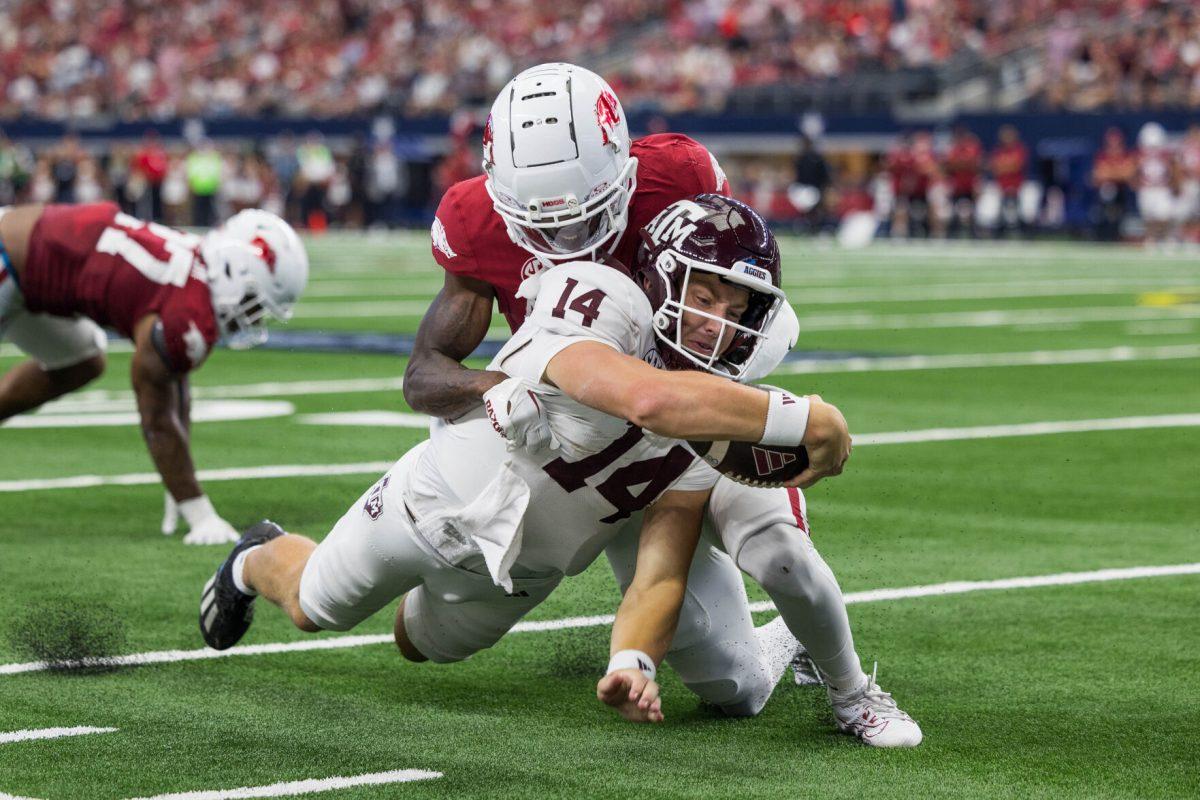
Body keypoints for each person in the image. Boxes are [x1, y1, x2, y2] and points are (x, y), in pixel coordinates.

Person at [403, 63, 920, 745]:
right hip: (600, 450)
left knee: (781, 556)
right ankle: (767, 647)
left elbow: (747, 288)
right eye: (541, 218)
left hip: (698, 419)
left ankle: (852, 690)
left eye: (587, 206)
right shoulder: (476, 221)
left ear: (619, 166)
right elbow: (423, 378)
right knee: (735, 687)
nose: (569, 234)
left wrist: (746, 376)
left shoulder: (676, 177)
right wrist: (504, 389)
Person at [200, 195, 844, 727]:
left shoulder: (711, 432)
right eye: (705, 295)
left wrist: (633, 663)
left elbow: (658, 576)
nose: (715, 324)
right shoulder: (602, 301)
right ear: (659, 275)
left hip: (521, 572)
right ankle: (255, 558)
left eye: (736, 312)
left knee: (417, 644)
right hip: (430, 502)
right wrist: (802, 416)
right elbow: (648, 399)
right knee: (316, 606)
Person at [0, 203, 308, 544]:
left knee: (83, 360)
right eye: (254, 303)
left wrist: (179, 476)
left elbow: (175, 382)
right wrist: (198, 511)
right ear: (234, 272)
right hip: (9, 260)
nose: (252, 319)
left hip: (26, 264)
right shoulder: (188, 314)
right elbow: (157, 417)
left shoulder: (196, 270)